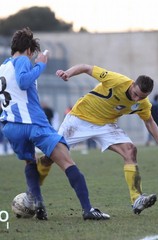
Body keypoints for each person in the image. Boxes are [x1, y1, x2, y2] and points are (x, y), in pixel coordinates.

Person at [0, 27, 109, 221]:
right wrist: (40, 65)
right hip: (33, 124)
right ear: (28, 50)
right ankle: (88, 209)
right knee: (67, 162)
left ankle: (39, 205)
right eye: (33, 54)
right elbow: (24, 82)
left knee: (31, 162)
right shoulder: (23, 60)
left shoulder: (3, 67)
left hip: (11, 126)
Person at [38, 63, 158, 215]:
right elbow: (86, 67)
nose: (136, 99)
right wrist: (67, 73)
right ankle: (33, 193)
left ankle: (137, 199)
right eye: (135, 94)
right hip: (79, 119)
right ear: (132, 84)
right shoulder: (116, 80)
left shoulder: (142, 103)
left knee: (130, 151)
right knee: (51, 157)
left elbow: (149, 121)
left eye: (141, 97)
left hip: (106, 125)